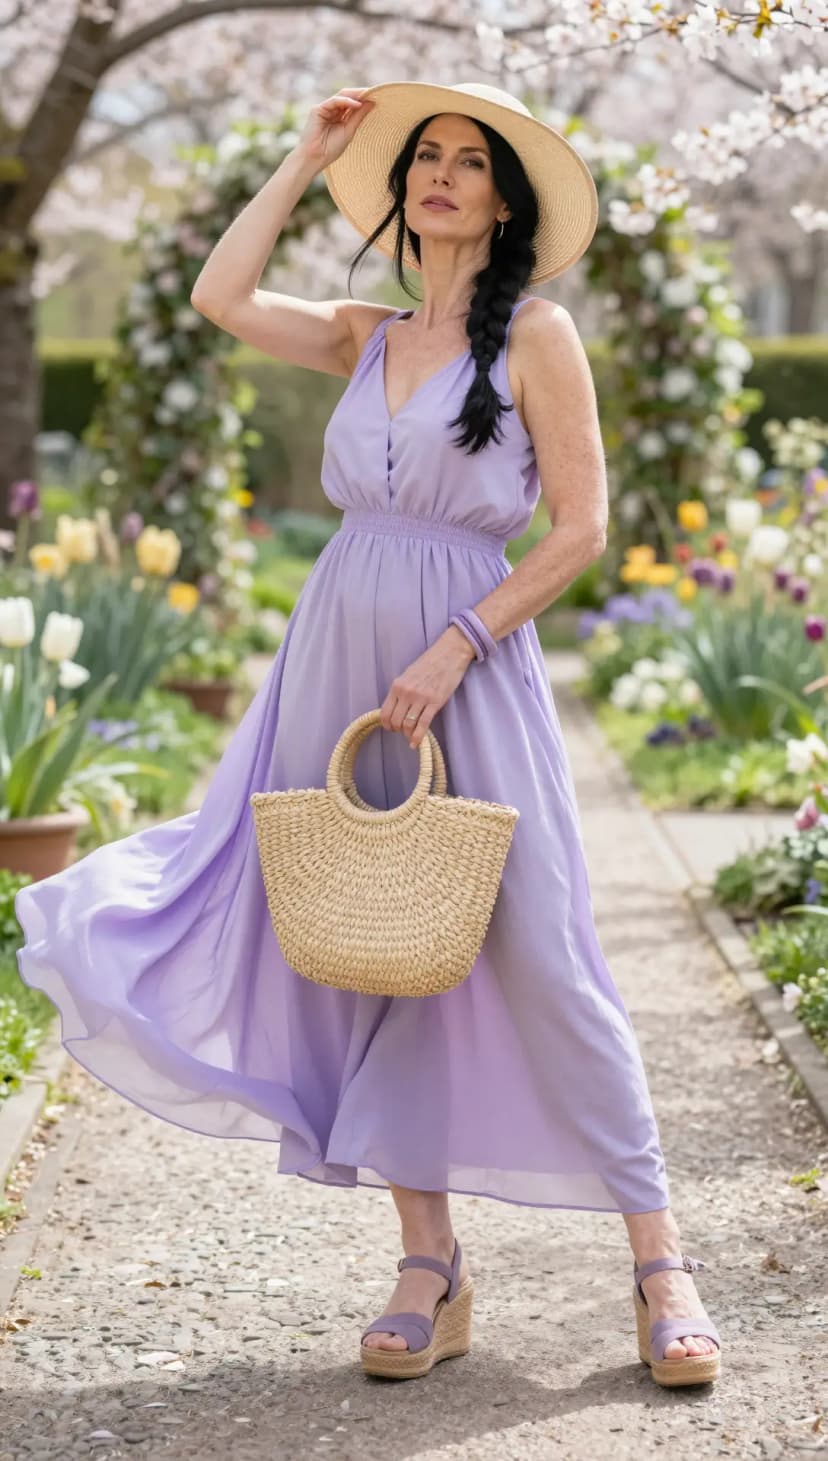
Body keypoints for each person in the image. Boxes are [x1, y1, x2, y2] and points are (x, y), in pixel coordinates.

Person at [15, 80, 721, 1387]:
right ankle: (428, 1261)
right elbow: (218, 298)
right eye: (425, 160)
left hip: (467, 660)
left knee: (539, 941)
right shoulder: (362, 333)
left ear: (505, 200)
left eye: (466, 162)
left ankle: (660, 1256)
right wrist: (302, 157)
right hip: (334, 653)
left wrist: (460, 641)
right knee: (364, 939)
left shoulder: (538, 337)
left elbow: (578, 528)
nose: (440, 175)